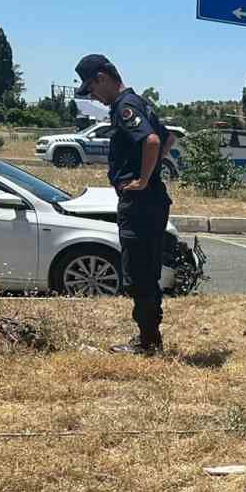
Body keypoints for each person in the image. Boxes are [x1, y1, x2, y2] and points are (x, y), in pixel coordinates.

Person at [75, 54, 170, 355]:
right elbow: (168, 140)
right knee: (148, 271)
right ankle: (150, 337)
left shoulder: (124, 107)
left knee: (138, 273)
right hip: (152, 200)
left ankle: (147, 342)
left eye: (91, 88)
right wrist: (152, 172)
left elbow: (153, 142)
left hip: (140, 202)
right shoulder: (140, 102)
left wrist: (142, 179)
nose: (93, 96)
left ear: (102, 78)